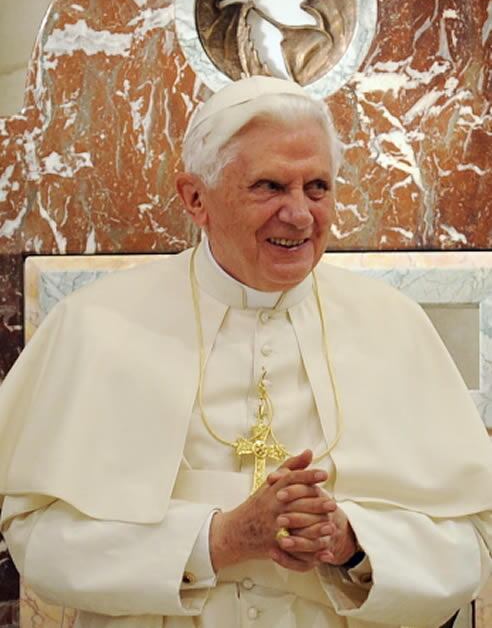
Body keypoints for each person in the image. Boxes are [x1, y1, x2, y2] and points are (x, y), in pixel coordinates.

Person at [0, 75, 491, 628]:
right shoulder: (96, 325)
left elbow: (469, 542)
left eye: (317, 188)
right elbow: (37, 537)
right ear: (195, 198)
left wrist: (353, 544)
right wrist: (216, 541)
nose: (300, 215)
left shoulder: (396, 328)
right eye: (269, 187)